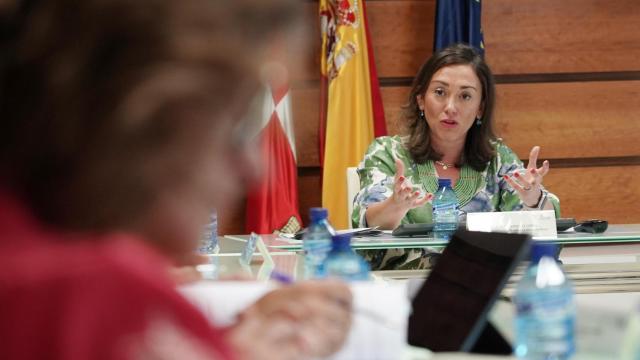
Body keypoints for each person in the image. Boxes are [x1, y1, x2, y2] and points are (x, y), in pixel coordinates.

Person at [0, 0, 351, 359]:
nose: (254, 168)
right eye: (236, 128)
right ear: (143, 116)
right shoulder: (84, 292)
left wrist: (222, 343)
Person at [351, 44, 560, 270]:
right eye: (440, 92)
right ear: (421, 99)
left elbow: (544, 232)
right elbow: (368, 225)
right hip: (400, 287)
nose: (451, 107)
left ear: (480, 108)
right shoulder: (388, 153)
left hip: (478, 286)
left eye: (465, 96)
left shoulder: (497, 158)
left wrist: (534, 200)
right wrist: (395, 206)